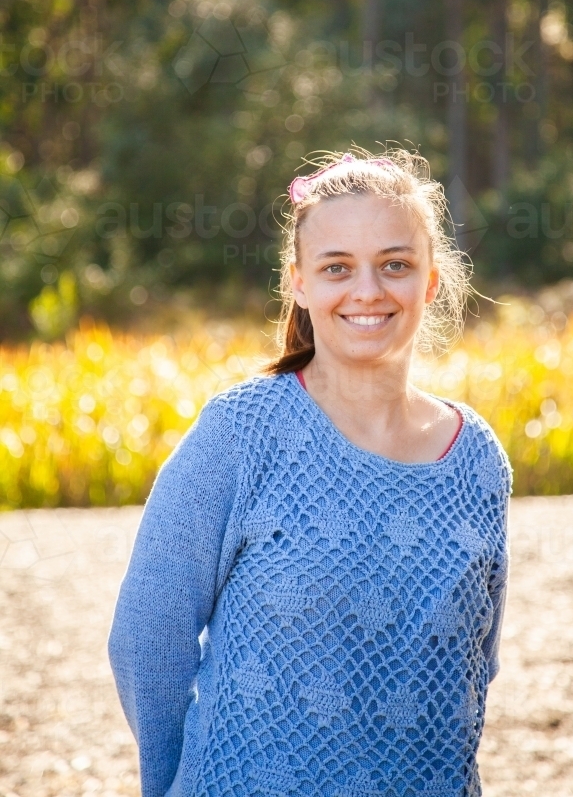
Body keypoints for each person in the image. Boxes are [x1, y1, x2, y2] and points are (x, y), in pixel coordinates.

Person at [107, 148, 513, 797]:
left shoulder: (476, 458)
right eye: (336, 268)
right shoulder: (241, 433)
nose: (367, 291)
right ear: (298, 283)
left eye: (395, 265)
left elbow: (473, 669)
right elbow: (148, 638)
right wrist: (171, 783)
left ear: (430, 281)